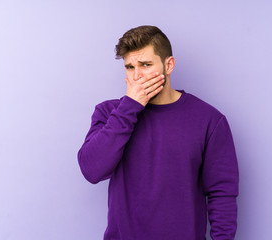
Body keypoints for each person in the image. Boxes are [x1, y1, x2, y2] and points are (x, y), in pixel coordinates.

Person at [77, 25, 239, 240]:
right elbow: (92, 170)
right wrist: (129, 107)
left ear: (168, 65)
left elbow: (222, 194)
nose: (137, 76)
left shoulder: (209, 120)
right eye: (130, 67)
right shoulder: (109, 113)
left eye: (145, 65)